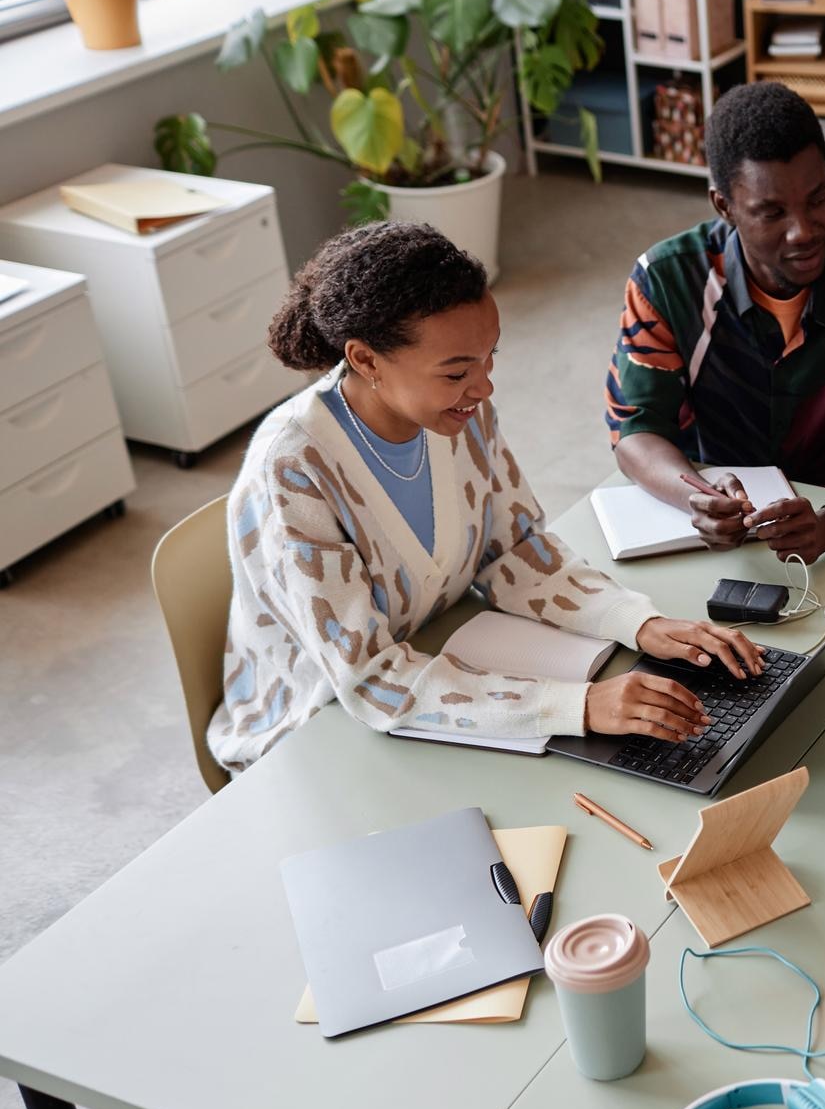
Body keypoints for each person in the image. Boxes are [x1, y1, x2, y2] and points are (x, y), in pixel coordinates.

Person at [210, 222, 762, 773]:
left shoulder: (457, 413)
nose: (483, 388)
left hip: (440, 657)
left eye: (488, 357)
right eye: (456, 372)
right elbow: (371, 680)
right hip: (319, 726)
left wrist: (638, 623)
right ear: (366, 360)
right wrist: (581, 705)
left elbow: (515, 549)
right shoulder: (293, 469)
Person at [604, 81, 825, 564]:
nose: (804, 230)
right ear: (723, 206)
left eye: (818, 199)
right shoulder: (665, 281)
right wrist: (697, 496)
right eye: (771, 212)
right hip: (716, 539)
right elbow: (635, 432)